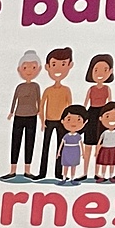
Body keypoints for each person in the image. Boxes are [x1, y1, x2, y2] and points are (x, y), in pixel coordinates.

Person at [36, 47, 75, 180]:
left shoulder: (66, 90)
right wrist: (42, 122)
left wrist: (68, 123)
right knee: (45, 146)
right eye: (54, 64)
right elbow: (41, 106)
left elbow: (70, 108)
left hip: (61, 123)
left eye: (63, 64)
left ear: (70, 65)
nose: (58, 69)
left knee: (61, 147)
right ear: (47, 67)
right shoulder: (48, 90)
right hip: (49, 121)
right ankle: (42, 173)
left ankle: (59, 173)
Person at [6, 50, 41, 178]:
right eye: (25, 67)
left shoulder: (36, 86)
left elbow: (39, 100)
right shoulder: (19, 87)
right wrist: (11, 112)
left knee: (29, 142)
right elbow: (14, 99)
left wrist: (40, 112)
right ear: (19, 69)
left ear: (38, 69)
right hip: (18, 115)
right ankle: (12, 170)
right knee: (16, 141)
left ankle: (27, 170)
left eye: (33, 67)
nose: (29, 71)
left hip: (32, 116)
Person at [81, 52, 115, 178]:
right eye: (96, 70)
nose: (100, 73)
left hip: (102, 115)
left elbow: (110, 104)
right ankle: (84, 172)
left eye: (104, 70)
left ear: (110, 72)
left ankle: (96, 173)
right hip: (91, 114)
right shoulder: (91, 89)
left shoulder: (107, 89)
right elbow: (85, 104)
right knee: (88, 145)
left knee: (99, 146)